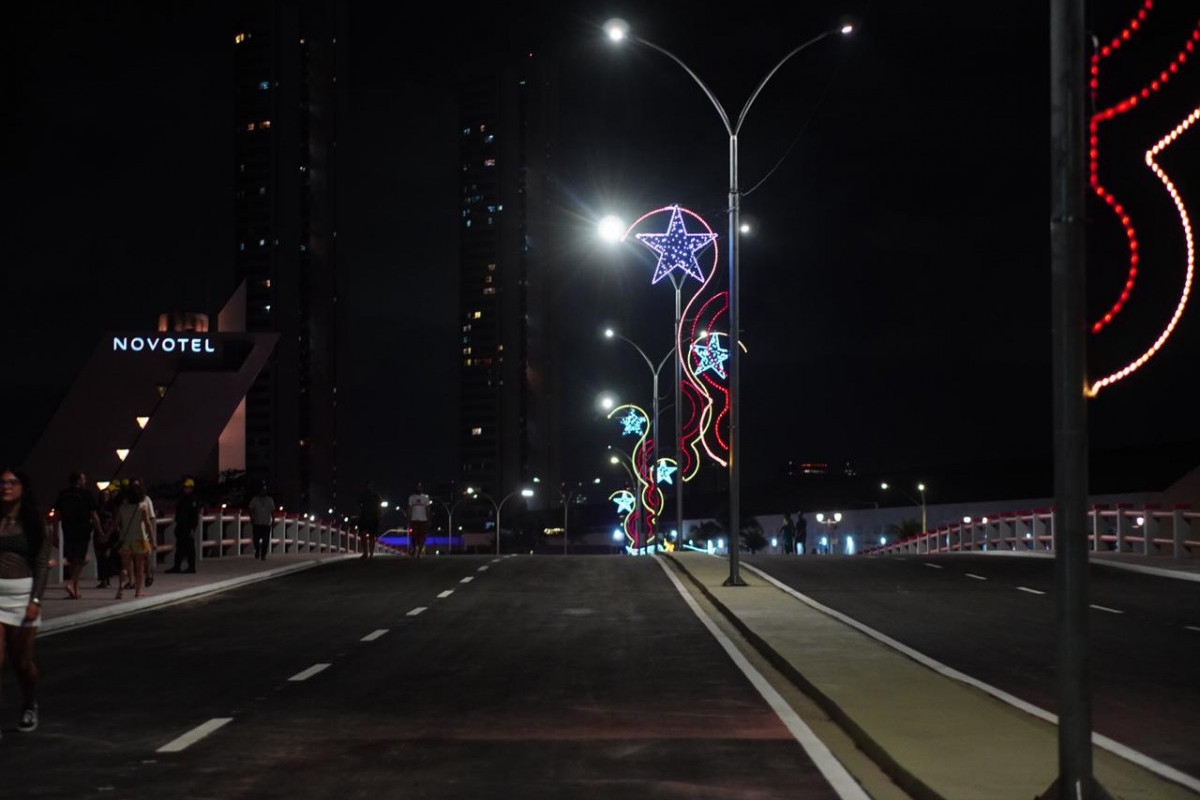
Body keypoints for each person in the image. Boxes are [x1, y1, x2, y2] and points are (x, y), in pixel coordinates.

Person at [0, 468, 51, 737]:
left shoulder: (35, 523)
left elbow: (42, 565)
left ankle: (29, 703)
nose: (6, 486)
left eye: (12, 482)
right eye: (2, 482)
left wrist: (35, 600)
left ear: (23, 487)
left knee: (22, 663)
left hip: (22, 598)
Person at [53, 472, 101, 600]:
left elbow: (56, 516)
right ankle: (70, 584)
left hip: (67, 529)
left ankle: (75, 590)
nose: (85, 481)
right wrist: (100, 531)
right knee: (81, 559)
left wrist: (55, 534)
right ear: (79, 480)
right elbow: (94, 516)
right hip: (83, 529)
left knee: (72, 559)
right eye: (84, 479)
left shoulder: (63, 494)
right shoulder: (86, 494)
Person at [114, 481, 154, 599]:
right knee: (139, 567)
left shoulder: (123, 508)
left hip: (125, 539)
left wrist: (105, 535)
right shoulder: (142, 506)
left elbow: (115, 523)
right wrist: (153, 540)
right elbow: (147, 524)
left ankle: (120, 588)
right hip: (140, 539)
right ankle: (138, 591)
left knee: (125, 567)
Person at [165, 477, 199, 573]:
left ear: (191, 488)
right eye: (185, 487)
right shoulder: (183, 498)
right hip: (181, 526)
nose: (186, 489)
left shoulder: (193, 500)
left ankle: (191, 567)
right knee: (180, 547)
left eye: (188, 487)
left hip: (188, 527)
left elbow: (194, 516)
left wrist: (193, 528)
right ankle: (177, 566)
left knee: (189, 548)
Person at [130, 478, 157, 587]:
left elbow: (151, 518)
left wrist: (152, 536)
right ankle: (133, 580)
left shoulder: (146, 500)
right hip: (131, 534)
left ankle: (148, 575)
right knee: (131, 557)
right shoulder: (129, 501)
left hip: (143, 534)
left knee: (145, 556)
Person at [93, 486, 119, 589]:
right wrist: (100, 533)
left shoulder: (113, 508)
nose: (105, 497)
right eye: (103, 495)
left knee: (108, 557)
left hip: (111, 534)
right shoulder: (97, 508)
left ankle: (108, 578)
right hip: (99, 534)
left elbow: (116, 521)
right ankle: (103, 579)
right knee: (100, 557)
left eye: (107, 495)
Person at [248, 483, 275, 560]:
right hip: (257, 523)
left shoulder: (270, 500)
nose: (262, 492)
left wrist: (273, 520)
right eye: (261, 490)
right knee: (256, 539)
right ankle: (257, 551)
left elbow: (272, 511)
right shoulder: (255, 499)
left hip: (266, 523)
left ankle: (263, 554)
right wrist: (252, 518)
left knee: (266, 540)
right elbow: (250, 509)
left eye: (264, 490)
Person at [357, 481, 382, 560]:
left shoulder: (376, 495)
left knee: (372, 536)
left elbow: (379, 506)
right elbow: (358, 505)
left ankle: (370, 554)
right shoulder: (363, 495)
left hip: (373, 518)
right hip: (364, 517)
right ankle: (365, 553)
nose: (369, 487)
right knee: (363, 535)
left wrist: (379, 516)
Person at [407, 483, 432, 558]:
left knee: (422, 536)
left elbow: (428, 509)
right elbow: (409, 509)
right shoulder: (411, 497)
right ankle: (414, 549)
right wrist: (408, 519)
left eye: (420, 487)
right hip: (414, 520)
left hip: (423, 520)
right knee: (414, 536)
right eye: (418, 487)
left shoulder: (425, 498)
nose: (419, 489)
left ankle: (419, 553)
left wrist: (429, 519)